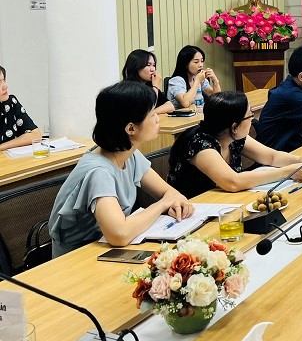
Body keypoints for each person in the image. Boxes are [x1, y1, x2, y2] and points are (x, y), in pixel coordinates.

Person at [48, 81, 194, 257]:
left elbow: (170, 194)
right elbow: (119, 234)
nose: (158, 118)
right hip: (78, 257)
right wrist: (163, 204)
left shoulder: (129, 154)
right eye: (152, 114)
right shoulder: (99, 172)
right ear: (131, 128)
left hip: (107, 249)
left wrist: (175, 202)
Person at [167, 91, 302, 198]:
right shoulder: (200, 145)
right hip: (194, 211)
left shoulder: (232, 136)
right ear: (234, 126)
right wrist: (287, 172)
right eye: (249, 115)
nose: (252, 119)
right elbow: (233, 182)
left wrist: (299, 160)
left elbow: (271, 156)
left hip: (224, 201)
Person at [0, 64, 42, 151]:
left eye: (3, 80)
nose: (5, 86)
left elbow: (36, 135)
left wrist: (2, 147)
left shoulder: (11, 103)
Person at [167, 45, 221, 110]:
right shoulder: (176, 81)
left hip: (200, 114)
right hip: (182, 116)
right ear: (185, 64)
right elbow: (185, 103)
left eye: (202, 61)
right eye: (196, 62)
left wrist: (215, 80)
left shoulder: (200, 78)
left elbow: (216, 98)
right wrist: (197, 81)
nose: (200, 65)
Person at [121, 49, 174, 115]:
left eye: (153, 65)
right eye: (148, 65)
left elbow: (170, 107)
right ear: (136, 67)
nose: (152, 69)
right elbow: (148, 109)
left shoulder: (149, 84)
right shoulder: (128, 89)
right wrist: (156, 86)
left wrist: (151, 114)